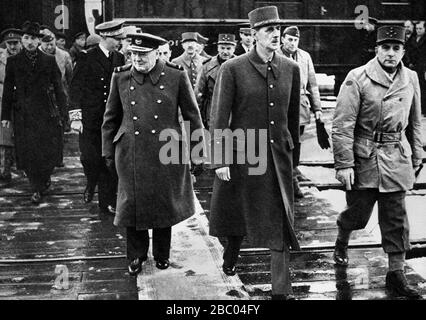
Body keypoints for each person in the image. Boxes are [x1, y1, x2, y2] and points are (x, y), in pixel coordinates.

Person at [209, 6, 301, 300]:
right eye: (268, 30)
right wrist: (220, 159)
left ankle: (281, 291)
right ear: (253, 35)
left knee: (280, 221)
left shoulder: (291, 69)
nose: (275, 35)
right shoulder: (233, 68)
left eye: (277, 29)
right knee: (238, 214)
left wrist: (292, 157)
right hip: (244, 154)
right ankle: (231, 253)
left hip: (277, 158)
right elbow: (219, 118)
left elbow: (292, 115)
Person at [332, 26, 423, 299]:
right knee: (358, 214)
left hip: (396, 155)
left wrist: (417, 154)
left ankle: (396, 273)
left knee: (396, 218)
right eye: (386, 48)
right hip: (365, 157)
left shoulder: (411, 78)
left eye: (397, 48)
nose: (391, 54)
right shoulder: (357, 77)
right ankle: (343, 235)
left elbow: (415, 122)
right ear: (377, 50)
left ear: (403, 52)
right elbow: (342, 125)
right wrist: (344, 164)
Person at [101, 32, 204, 275]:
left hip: (166, 150)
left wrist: (198, 153)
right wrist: (107, 151)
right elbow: (110, 118)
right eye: (133, 54)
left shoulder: (176, 76)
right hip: (130, 152)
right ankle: (136, 255)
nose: (137, 59)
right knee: (132, 205)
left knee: (163, 204)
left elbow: (193, 116)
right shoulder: (121, 77)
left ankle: (161, 254)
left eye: (143, 55)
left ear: (157, 53)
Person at [1, 21, 67, 204]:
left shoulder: (48, 60)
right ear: (22, 40)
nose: (30, 42)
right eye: (26, 38)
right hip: (23, 114)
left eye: (33, 38)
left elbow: (58, 88)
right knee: (27, 152)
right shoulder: (13, 62)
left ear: (39, 41)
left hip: (45, 112)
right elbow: (7, 89)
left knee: (46, 150)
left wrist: (64, 113)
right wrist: (5, 116)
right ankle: (36, 187)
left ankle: (44, 177)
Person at [69, 21, 125, 215]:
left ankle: (107, 201)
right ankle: (91, 183)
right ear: (105, 37)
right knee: (90, 159)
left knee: (109, 160)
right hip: (91, 120)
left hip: (112, 120)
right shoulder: (86, 58)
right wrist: (76, 118)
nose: (119, 43)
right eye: (116, 39)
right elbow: (75, 89)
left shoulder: (120, 58)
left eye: (120, 39)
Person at [278, 26, 322, 199]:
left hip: (301, 107)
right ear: (282, 39)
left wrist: (317, 108)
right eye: (289, 39)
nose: (292, 43)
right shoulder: (276, 56)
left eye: (295, 40)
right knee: (284, 144)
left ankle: (292, 174)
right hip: (282, 107)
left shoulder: (305, 57)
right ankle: (292, 181)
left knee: (296, 143)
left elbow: (313, 84)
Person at [195, 34, 236, 129]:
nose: (225, 52)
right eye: (222, 48)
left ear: (234, 49)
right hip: (212, 112)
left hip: (235, 113)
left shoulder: (241, 65)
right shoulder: (207, 66)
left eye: (228, 48)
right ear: (218, 48)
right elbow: (199, 94)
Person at [0, 28, 22, 184]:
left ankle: (28, 169)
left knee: (26, 135)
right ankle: (4, 171)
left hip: (24, 101)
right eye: (10, 43)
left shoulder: (27, 56)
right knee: (5, 137)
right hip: (4, 100)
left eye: (15, 43)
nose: (13, 46)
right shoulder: (0, 58)